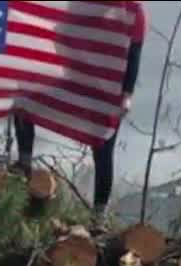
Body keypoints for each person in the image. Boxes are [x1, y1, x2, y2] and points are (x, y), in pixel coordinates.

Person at [12, 0, 146, 221]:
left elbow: (134, 53)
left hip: (105, 88)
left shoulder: (133, 10)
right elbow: (59, 29)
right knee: (24, 98)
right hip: (73, 78)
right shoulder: (78, 3)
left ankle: (99, 215)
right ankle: (24, 163)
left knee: (103, 147)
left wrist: (127, 95)